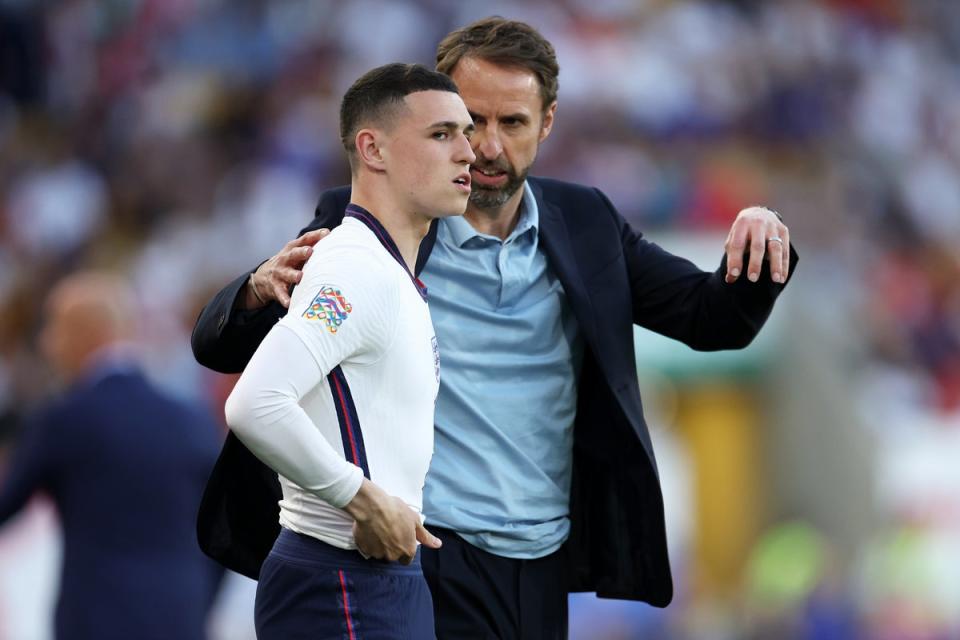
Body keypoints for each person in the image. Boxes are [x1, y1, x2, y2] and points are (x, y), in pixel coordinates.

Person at [193, 17, 799, 640]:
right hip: (423, 552)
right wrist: (258, 286)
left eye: (510, 123)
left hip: (540, 562)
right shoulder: (376, 228)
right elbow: (227, 350)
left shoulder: (586, 223)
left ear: (547, 124)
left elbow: (709, 318)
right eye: (467, 121)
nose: (484, 146)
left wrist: (760, 243)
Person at [222, 62, 475, 639]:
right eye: (442, 134)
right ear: (373, 149)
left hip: (377, 577)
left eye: (465, 132)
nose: (469, 152)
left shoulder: (387, 270)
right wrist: (361, 500)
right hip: (340, 576)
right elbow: (255, 402)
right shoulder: (355, 269)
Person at [0, 271, 221, 640]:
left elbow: (7, 506)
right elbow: (224, 530)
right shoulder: (192, 421)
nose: (46, 344)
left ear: (83, 331)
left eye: (52, 328)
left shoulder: (67, 419)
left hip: (96, 621)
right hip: (181, 619)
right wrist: (193, 599)